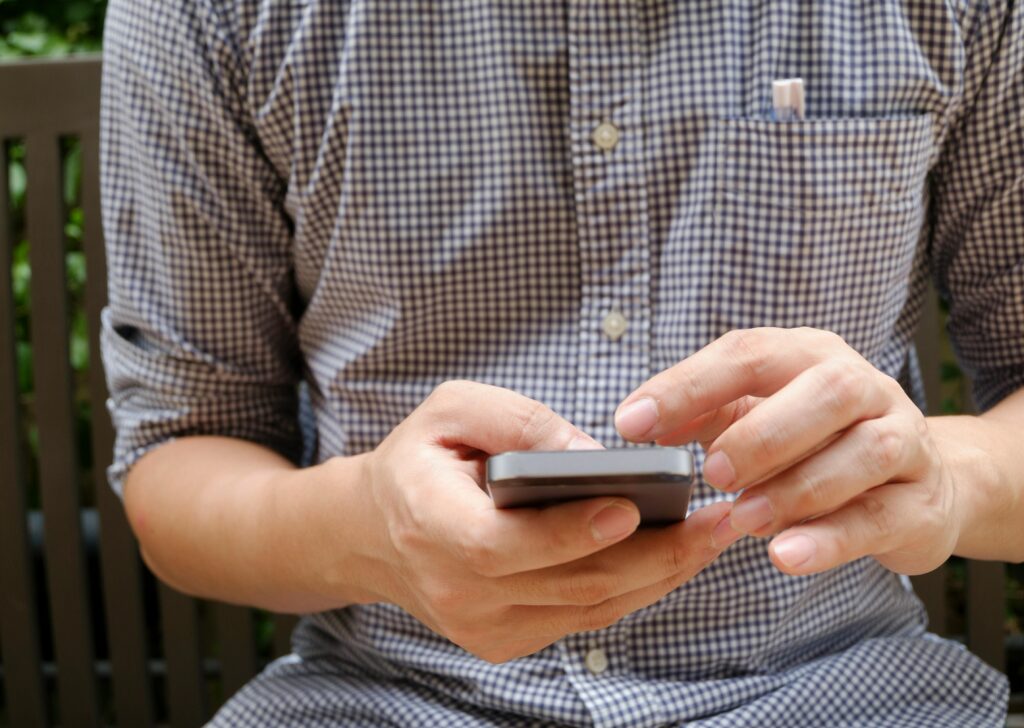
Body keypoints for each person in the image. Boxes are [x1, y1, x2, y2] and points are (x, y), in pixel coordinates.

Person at [99, 1, 1022, 725]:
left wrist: (949, 480)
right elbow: (184, 453)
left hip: (843, 690)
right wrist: (365, 530)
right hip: (386, 697)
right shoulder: (215, 10)